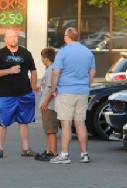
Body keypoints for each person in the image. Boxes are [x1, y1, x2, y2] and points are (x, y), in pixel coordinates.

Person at [49, 27, 96, 164]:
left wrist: (53, 89)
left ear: (67, 37)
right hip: (82, 91)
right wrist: (85, 84)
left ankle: (64, 155)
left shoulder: (63, 52)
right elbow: (92, 72)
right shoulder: (88, 52)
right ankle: (84, 154)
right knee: (80, 123)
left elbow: (56, 73)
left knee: (66, 123)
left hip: (66, 91)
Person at [0, 29, 38, 158]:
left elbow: (33, 71)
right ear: (5, 40)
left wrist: (32, 88)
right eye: (10, 37)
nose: (13, 39)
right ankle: (0, 149)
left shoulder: (25, 53)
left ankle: (26, 149)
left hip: (24, 93)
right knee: (3, 121)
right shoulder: (0, 54)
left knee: (24, 121)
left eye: (15, 37)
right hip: (6, 94)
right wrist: (9, 71)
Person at [34, 47, 58, 161]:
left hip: (49, 106)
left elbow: (51, 88)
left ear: (46, 58)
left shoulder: (52, 70)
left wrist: (45, 102)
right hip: (46, 105)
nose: (41, 60)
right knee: (47, 129)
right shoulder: (50, 69)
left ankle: (53, 152)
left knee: (51, 129)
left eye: (42, 58)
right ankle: (48, 150)